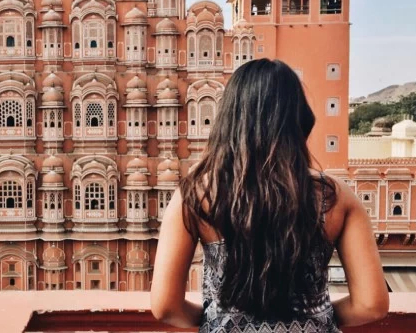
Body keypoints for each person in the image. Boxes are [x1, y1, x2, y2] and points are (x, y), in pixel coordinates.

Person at [151, 59, 389, 331]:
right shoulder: (334, 197)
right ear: (299, 118)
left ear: (229, 119)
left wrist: (217, 320)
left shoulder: (196, 194)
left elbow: (165, 306)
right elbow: (371, 305)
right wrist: (315, 316)